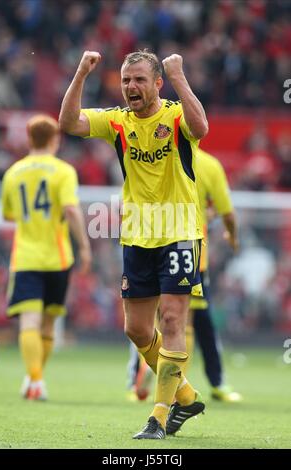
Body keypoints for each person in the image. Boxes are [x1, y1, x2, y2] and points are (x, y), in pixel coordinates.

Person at [59, 49, 209, 439]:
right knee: (137, 330)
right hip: (138, 235)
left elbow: (202, 128)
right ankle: (187, 395)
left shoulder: (175, 114)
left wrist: (179, 75)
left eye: (140, 79)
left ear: (157, 83)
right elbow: (68, 122)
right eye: (127, 80)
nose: (131, 87)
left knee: (172, 320)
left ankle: (159, 416)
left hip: (178, 230)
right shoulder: (118, 122)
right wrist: (81, 73)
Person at [127, 148, 242, 403]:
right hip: (188, 244)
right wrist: (232, 236)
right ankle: (182, 386)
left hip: (148, 242)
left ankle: (144, 373)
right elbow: (227, 212)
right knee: (186, 320)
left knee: (151, 320)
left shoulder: (156, 155)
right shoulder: (209, 164)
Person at [1, 114, 92, 400]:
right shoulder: (63, 171)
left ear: (29, 139)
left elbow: (8, 214)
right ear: (56, 139)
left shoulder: (13, 172)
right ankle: (35, 378)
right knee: (49, 323)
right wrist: (85, 246)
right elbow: (71, 210)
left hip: (26, 257)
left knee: (29, 321)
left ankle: (34, 379)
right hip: (58, 257)